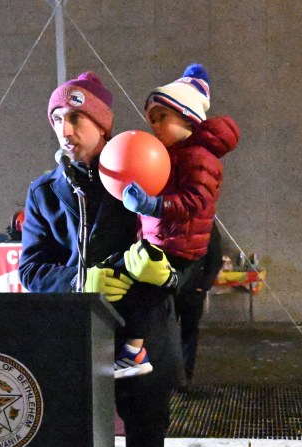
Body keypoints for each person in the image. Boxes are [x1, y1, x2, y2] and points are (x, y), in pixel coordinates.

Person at [19, 72, 184, 447]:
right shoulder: (44, 192)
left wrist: (169, 274)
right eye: (57, 119)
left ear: (103, 125)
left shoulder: (141, 172)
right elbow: (31, 268)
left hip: (142, 337)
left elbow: (189, 239)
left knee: (146, 445)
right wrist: (81, 281)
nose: (65, 130)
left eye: (77, 118)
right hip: (77, 338)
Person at [117, 64, 239, 377]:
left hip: (179, 248)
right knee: (133, 291)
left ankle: (135, 354)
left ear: (187, 117)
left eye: (162, 118)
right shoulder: (171, 155)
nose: (154, 125)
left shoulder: (198, 157)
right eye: (151, 119)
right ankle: (136, 353)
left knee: (144, 296)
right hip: (163, 242)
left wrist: (151, 204)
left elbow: (195, 202)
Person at [175, 220, 223, 385]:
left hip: (190, 289)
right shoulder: (168, 213)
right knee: (169, 333)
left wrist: (202, 286)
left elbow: (215, 258)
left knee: (188, 335)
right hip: (170, 289)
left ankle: (184, 379)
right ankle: (173, 379)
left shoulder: (207, 221)